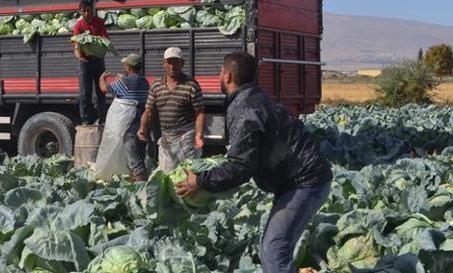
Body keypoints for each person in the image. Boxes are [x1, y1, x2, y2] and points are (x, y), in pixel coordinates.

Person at [175, 51, 333, 273]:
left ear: (227, 76)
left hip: (305, 183)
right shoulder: (254, 98)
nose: (220, 76)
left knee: (274, 251)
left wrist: (200, 181)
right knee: (274, 248)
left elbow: (241, 166)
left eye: (221, 72)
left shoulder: (244, 108)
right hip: (301, 179)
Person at [137, 47, 204, 172]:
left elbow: (199, 112)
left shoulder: (191, 85)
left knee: (187, 172)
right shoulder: (156, 85)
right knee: (166, 174)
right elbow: (148, 111)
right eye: (169, 62)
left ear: (182, 64)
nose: (172, 66)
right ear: (164, 64)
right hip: (167, 137)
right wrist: (143, 128)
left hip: (186, 135)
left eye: (176, 62)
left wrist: (199, 135)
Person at [99, 53, 151, 181]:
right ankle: (135, 186)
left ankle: (142, 190)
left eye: (125, 65)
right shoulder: (144, 82)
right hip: (142, 124)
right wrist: (121, 79)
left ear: (129, 67)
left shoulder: (126, 81)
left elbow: (104, 89)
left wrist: (102, 78)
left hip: (131, 127)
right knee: (138, 156)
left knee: (135, 161)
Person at [73, 0, 109, 125]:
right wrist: (79, 57)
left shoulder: (99, 22)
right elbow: (76, 45)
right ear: (80, 11)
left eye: (89, 10)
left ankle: (102, 119)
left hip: (98, 61)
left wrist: (96, 43)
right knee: (84, 93)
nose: (87, 13)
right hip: (85, 62)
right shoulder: (78, 26)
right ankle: (86, 120)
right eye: (84, 11)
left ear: (92, 10)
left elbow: (105, 39)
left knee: (101, 92)